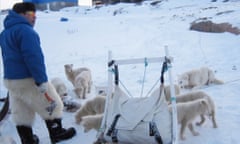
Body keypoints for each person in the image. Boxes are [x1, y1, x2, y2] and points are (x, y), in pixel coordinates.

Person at [0, 2, 76, 144]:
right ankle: (57, 133)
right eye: (30, 14)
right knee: (53, 104)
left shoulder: (4, 33)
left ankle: (27, 139)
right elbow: (33, 57)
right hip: (28, 79)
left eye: (35, 14)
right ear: (21, 15)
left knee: (21, 110)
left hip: (12, 80)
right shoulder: (26, 31)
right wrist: (41, 80)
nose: (34, 18)